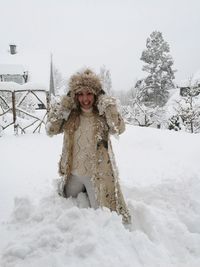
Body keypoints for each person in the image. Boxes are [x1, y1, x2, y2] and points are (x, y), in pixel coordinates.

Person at [46, 68, 131, 224]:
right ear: (75, 96)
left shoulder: (102, 114)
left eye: (89, 93)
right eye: (80, 94)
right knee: (64, 205)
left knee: (105, 217)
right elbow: (51, 129)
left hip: (96, 176)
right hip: (74, 174)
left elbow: (119, 128)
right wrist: (63, 107)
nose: (85, 99)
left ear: (96, 94)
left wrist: (109, 107)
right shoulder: (71, 114)